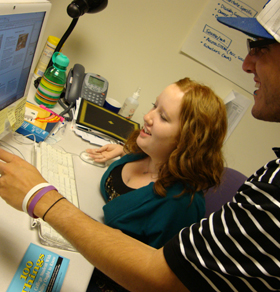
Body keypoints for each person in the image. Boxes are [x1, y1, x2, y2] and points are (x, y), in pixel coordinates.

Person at [0, 0, 280, 290]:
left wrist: (40, 197)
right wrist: (130, 151)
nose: (246, 63)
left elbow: (168, 277)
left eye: (259, 48)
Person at [84, 78, 227, 291]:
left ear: (186, 139)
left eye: (163, 117)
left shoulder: (179, 205)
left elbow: (151, 280)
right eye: (154, 105)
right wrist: (124, 150)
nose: (147, 116)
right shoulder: (146, 152)